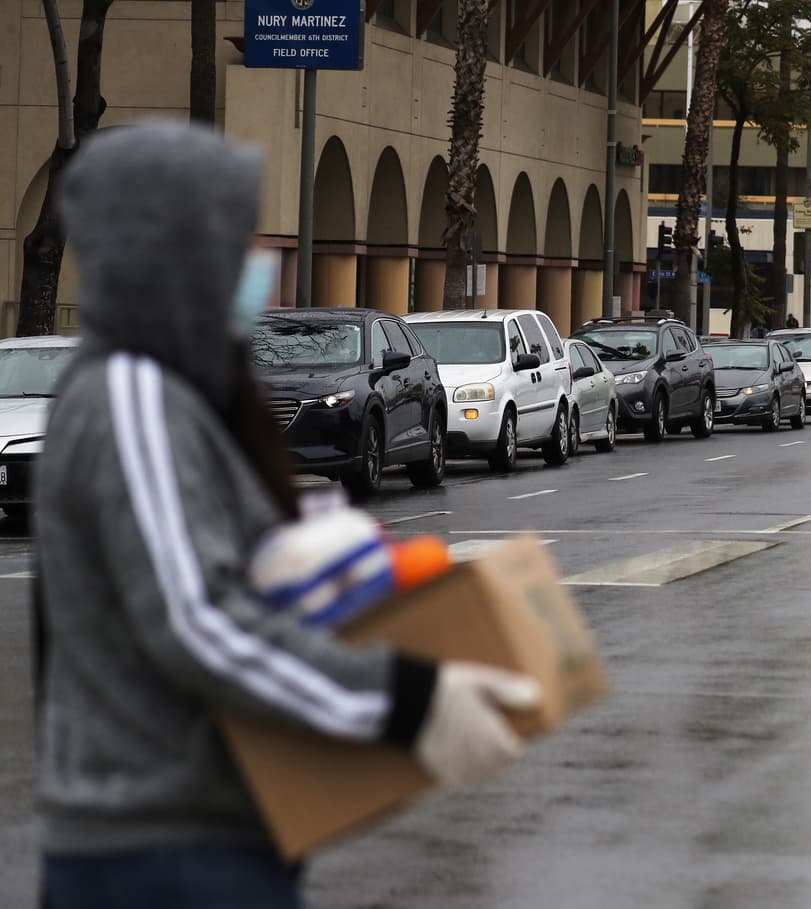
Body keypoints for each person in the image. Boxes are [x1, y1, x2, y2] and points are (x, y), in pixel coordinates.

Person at [33, 122, 539, 908]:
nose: (256, 262)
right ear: (175, 253)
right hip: (161, 855)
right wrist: (403, 700)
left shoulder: (169, 390)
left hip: (192, 840)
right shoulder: (133, 394)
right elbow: (196, 619)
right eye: (237, 239)